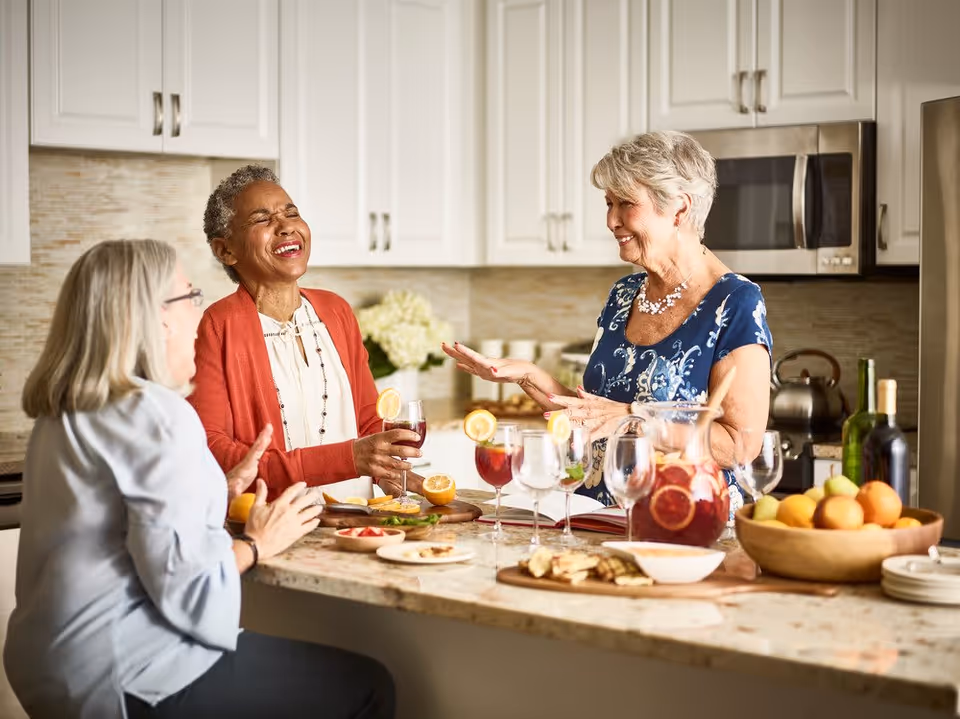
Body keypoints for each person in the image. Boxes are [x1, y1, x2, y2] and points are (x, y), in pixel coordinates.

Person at [3, 240, 395, 719]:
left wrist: (219, 489)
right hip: (126, 671)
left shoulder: (67, 410)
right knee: (369, 685)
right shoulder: (157, 413)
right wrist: (258, 543)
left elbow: (124, 520)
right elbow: (186, 585)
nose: (199, 311)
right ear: (158, 317)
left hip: (47, 663)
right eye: (190, 296)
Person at [444, 131, 773, 512]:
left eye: (625, 203)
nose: (611, 220)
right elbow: (595, 414)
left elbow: (740, 445)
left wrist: (636, 420)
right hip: (596, 517)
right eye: (608, 203)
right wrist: (527, 376)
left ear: (679, 209)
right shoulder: (623, 294)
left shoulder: (735, 302)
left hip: (685, 519)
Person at [190, 165, 423, 503]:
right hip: (275, 527)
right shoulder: (217, 326)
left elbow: (367, 418)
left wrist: (387, 469)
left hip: (355, 522)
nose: (286, 227)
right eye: (262, 219)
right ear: (226, 250)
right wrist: (346, 460)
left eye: (292, 213)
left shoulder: (336, 311)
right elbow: (213, 450)